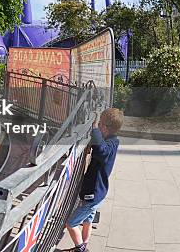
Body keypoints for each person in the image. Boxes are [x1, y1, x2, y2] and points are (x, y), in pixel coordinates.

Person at [63, 108, 123, 252]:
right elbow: (99, 148)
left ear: (105, 127)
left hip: (93, 195)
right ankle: (85, 243)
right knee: (87, 221)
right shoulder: (113, 141)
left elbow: (102, 150)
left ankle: (81, 249)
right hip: (98, 193)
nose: (97, 126)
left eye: (100, 124)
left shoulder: (109, 145)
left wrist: (94, 129)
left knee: (71, 224)